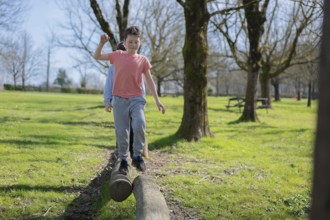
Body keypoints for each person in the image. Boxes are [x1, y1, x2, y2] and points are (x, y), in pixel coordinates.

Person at [94, 26, 165, 173]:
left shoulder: (143, 60)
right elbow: (97, 56)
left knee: (140, 124)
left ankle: (137, 156)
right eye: (130, 42)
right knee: (122, 131)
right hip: (119, 100)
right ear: (125, 42)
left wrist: (158, 100)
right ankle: (124, 160)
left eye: (136, 42)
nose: (133, 45)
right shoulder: (118, 55)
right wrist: (101, 43)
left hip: (137, 99)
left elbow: (150, 81)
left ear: (140, 42)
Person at [103, 42, 146, 159]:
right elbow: (109, 84)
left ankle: (135, 153)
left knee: (135, 127)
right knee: (122, 129)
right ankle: (122, 154)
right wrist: (107, 101)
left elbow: (141, 84)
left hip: (134, 100)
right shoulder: (113, 67)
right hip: (120, 101)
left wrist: (142, 101)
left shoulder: (136, 64)